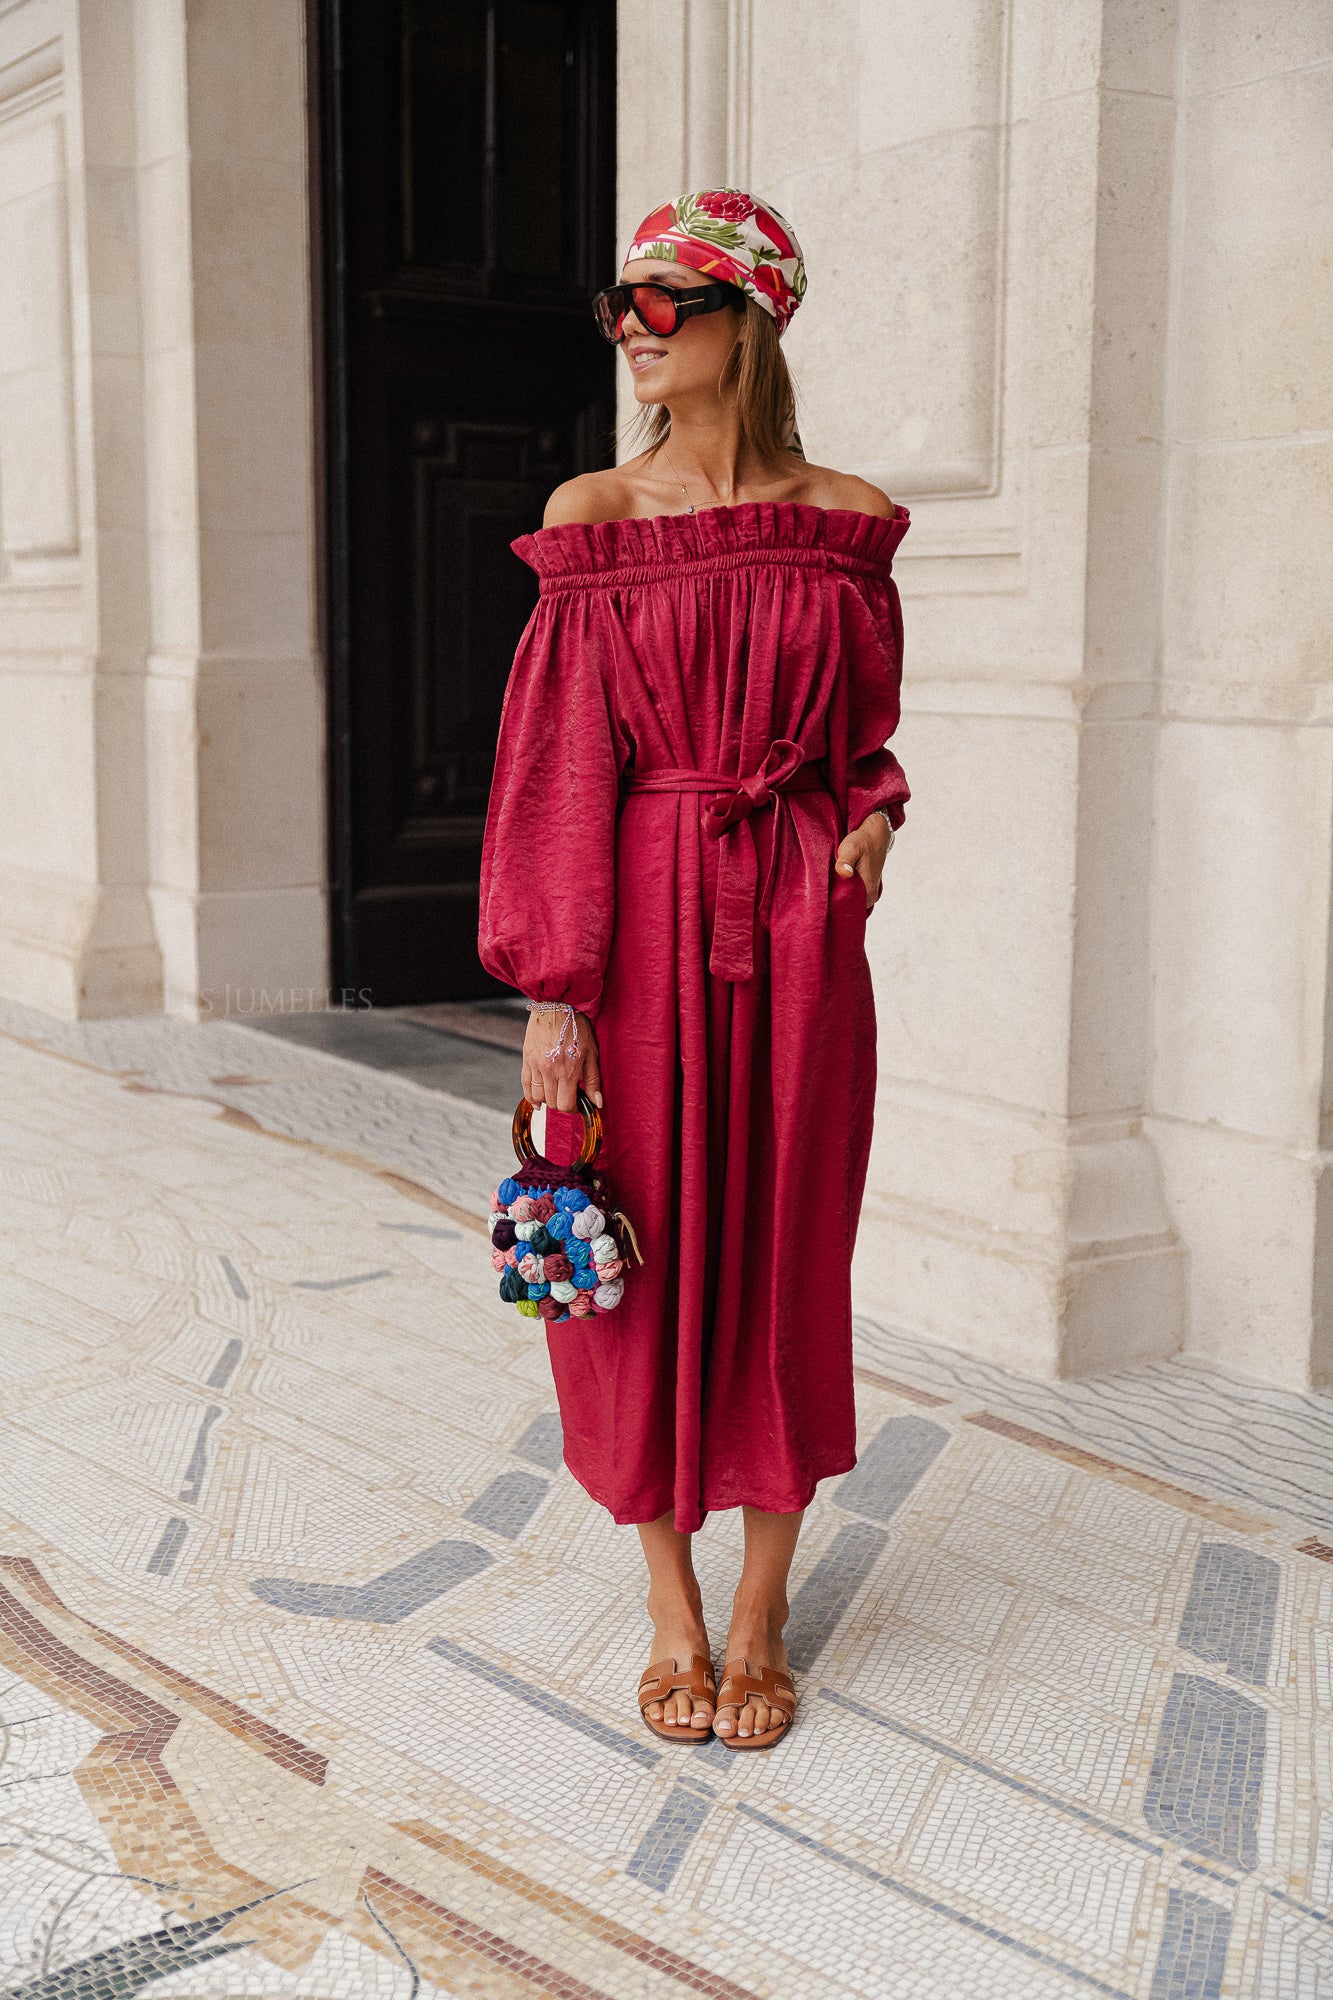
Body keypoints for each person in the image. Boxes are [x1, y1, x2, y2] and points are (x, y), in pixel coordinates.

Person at [478, 188, 910, 1752]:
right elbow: (552, 772)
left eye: (660, 304)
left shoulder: (846, 522)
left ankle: (759, 1610)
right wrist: (553, 991)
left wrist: (867, 822)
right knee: (635, 1257)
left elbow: (865, 744)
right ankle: (669, 1607)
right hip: (640, 927)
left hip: (796, 932)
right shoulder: (596, 518)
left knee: (789, 1248)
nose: (629, 333)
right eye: (620, 306)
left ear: (749, 318)